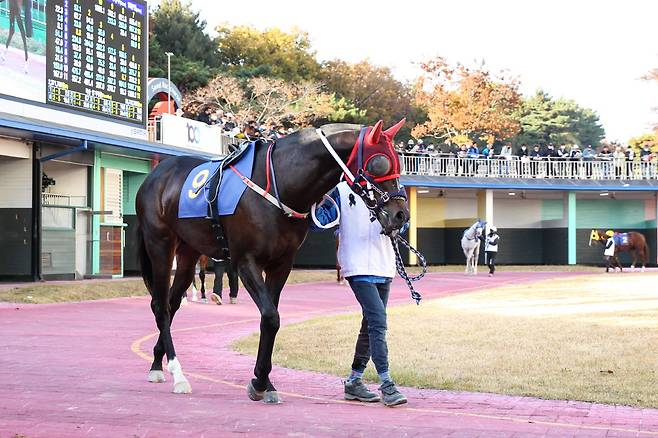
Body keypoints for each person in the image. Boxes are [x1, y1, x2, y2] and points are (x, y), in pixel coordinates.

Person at [311, 181, 408, 407]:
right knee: (378, 322)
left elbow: (401, 222)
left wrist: (397, 223)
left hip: (384, 266)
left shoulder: (394, 187)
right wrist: (315, 199)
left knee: (369, 325)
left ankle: (354, 381)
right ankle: (387, 384)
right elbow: (320, 223)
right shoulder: (342, 190)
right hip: (357, 266)